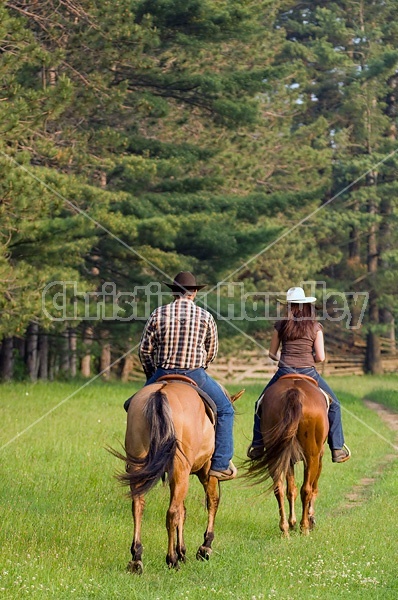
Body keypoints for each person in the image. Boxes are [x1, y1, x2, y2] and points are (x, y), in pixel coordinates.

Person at [138, 271, 237, 481]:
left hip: (163, 372)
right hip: (194, 374)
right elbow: (212, 351)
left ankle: (138, 455)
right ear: (193, 293)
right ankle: (220, 464)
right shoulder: (205, 316)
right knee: (226, 409)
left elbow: (145, 351)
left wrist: (152, 374)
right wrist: (202, 367)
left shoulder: (158, 314)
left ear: (174, 293)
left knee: (132, 405)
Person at [247, 286, 351, 464]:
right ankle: (337, 448)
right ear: (306, 305)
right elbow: (321, 357)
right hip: (308, 371)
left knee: (260, 404)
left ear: (289, 306)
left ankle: (257, 446)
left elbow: (272, 354)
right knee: (335, 405)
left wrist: (285, 358)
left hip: (284, 371)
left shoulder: (280, 325)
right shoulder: (315, 327)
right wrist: (306, 359)